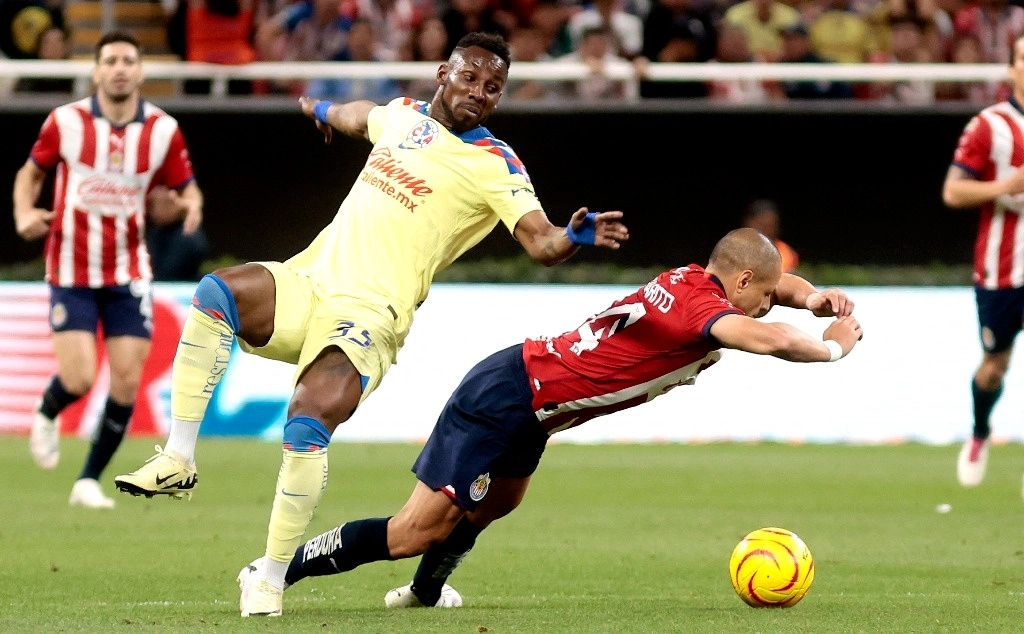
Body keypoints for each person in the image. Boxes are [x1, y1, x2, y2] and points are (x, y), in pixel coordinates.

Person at [111, 31, 630, 617]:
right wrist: (322, 109)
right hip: (307, 284)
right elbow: (363, 116)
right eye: (469, 78)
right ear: (442, 73)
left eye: (493, 88)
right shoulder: (403, 115)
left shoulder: (495, 163)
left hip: (368, 316)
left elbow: (540, 241)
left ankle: (270, 578)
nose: (479, 94)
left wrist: (572, 237)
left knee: (306, 422)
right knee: (216, 292)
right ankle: (178, 458)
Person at [236, 227, 862, 611]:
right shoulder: (704, 306)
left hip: (532, 405)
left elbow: (776, 295)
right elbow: (765, 337)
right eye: (767, 290)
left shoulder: (696, 279)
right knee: (413, 532)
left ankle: (424, 594)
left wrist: (811, 297)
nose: (770, 298)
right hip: (506, 394)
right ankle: (273, 570)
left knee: (497, 503)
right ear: (743, 281)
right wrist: (833, 343)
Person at [12, 31, 204, 509]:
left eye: (128, 60)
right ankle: (48, 409)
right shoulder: (66, 122)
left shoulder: (163, 130)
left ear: (140, 71)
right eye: (110, 60)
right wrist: (22, 213)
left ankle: (87, 481)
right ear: (96, 71)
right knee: (78, 378)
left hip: (128, 269)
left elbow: (187, 185)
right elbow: (30, 173)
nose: (119, 68)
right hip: (71, 267)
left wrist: (191, 207)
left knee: (125, 381)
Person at [942, 32, 1024, 490]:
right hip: (1001, 268)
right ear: (1011, 69)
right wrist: (1002, 188)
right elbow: (954, 190)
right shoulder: (989, 126)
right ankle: (979, 431)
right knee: (996, 363)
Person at [742, 199, 799, 273]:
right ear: (749, 223)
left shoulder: (786, 253)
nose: (767, 232)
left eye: (770, 226)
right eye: (762, 226)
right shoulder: (732, 249)